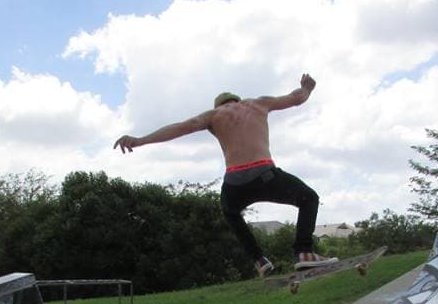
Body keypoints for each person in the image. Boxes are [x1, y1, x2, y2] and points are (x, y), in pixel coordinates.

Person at [114, 73, 338, 277]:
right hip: (265, 173)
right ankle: (304, 252)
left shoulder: (213, 115)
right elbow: (296, 98)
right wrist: (307, 88)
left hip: (235, 182)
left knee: (230, 212)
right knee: (309, 198)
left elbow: (182, 127)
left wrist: (139, 140)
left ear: (219, 105)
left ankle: (259, 260)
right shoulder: (259, 103)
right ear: (237, 100)